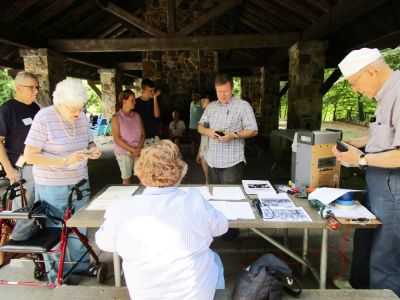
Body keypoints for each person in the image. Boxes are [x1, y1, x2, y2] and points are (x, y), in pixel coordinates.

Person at [96, 140, 228, 299]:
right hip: (194, 296)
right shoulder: (194, 200)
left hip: (146, 296)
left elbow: (105, 243)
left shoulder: (120, 207)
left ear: (140, 172)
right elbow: (221, 227)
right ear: (181, 170)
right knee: (215, 259)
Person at [332, 48, 400, 296]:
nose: (355, 89)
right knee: (365, 240)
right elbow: (379, 134)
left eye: (354, 82)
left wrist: (360, 157)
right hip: (378, 183)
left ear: (371, 71)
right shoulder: (384, 96)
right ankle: (359, 288)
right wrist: (354, 144)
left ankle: (385, 293)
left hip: (394, 188)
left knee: (386, 255)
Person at [24, 78, 102, 284]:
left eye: (80, 108)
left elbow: (89, 141)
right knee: (54, 229)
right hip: (52, 183)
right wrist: (64, 160)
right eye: (73, 109)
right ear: (58, 103)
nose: (78, 113)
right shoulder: (44, 117)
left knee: (80, 225)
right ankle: (57, 274)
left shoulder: (82, 117)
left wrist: (93, 149)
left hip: (79, 181)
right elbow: (30, 155)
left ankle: (82, 265)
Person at [198, 73, 258, 184]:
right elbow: (200, 126)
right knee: (213, 197)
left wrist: (234, 134)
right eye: (219, 92)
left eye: (225, 91)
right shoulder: (211, 106)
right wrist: (208, 131)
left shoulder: (243, 106)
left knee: (231, 198)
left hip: (232, 163)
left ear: (232, 89)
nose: (222, 95)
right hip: (212, 162)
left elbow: (253, 130)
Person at [0, 71, 40, 209]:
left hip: (40, 164)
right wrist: (9, 169)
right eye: (31, 87)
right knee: (24, 209)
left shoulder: (35, 107)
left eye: (37, 87)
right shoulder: (7, 110)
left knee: (38, 207)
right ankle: (18, 232)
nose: (36, 91)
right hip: (21, 167)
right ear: (18, 88)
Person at [111, 89, 145, 185]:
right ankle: (128, 198)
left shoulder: (137, 116)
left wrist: (137, 149)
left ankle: (142, 198)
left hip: (138, 150)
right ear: (124, 101)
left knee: (143, 177)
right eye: (132, 100)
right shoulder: (116, 118)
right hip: (124, 152)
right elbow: (117, 139)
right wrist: (132, 150)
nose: (135, 102)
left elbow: (143, 135)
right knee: (127, 179)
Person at [134, 78, 161, 147]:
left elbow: (157, 115)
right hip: (140, 137)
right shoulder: (135, 102)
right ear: (143, 90)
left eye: (154, 90)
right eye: (150, 91)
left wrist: (155, 98)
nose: (153, 92)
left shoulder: (155, 101)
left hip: (154, 136)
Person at [196, 97, 210, 184]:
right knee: (207, 176)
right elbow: (202, 136)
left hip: (212, 146)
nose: (202, 102)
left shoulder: (214, 114)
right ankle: (207, 181)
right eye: (202, 100)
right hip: (204, 146)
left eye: (205, 100)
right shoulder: (204, 114)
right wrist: (199, 152)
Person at [188, 89, 204, 158]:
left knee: (200, 142)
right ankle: (192, 155)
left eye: (194, 95)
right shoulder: (191, 103)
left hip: (199, 126)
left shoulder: (202, 103)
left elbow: (205, 114)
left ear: (198, 95)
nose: (193, 96)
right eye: (192, 95)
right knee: (192, 141)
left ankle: (200, 156)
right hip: (191, 126)